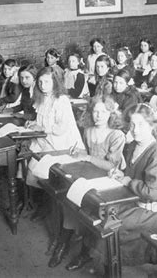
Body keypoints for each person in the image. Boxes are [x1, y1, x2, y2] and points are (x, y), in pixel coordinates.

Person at [82, 103, 157, 275]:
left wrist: (128, 181)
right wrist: (119, 173)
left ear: (152, 126)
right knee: (98, 212)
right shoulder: (133, 146)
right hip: (136, 200)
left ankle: (111, 269)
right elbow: (131, 173)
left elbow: (154, 193)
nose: (135, 129)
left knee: (109, 225)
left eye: (141, 124)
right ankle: (107, 262)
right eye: (132, 124)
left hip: (154, 212)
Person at [49, 95, 126, 269]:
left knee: (90, 211)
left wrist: (87, 157)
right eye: (95, 111)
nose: (98, 115)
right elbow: (85, 155)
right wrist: (78, 152)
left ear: (111, 113)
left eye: (103, 112)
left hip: (109, 181)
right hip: (90, 176)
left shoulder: (117, 135)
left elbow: (111, 165)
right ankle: (62, 244)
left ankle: (85, 253)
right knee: (69, 202)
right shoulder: (89, 130)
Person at [25, 66, 85, 188]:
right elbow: (43, 120)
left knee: (33, 174)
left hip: (63, 146)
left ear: (55, 82)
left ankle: (50, 198)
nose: (42, 85)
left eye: (47, 82)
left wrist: (41, 128)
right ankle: (38, 200)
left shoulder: (61, 100)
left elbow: (61, 128)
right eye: (40, 82)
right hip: (48, 142)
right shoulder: (42, 98)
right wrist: (33, 123)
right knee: (28, 173)